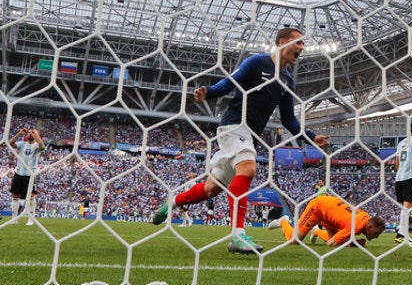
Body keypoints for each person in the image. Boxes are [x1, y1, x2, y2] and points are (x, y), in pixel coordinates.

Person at [152, 27, 330, 254]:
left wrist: (312, 137)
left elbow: (289, 120)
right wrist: (209, 92)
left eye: (303, 45)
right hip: (234, 125)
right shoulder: (257, 63)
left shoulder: (286, 80)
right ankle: (237, 235)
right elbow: (230, 82)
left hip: (250, 136)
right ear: (282, 42)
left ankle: (172, 202)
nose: (302, 49)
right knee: (248, 167)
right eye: (298, 43)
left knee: (210, 189)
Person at [268, 195, 385, 247]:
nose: (376, 237)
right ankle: (283, 221)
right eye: (376, 233)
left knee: (339, 241)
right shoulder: (357, 226)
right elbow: (330, 244)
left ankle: (316, 231)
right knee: (294, 241)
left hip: (331, 213)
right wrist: (351, 243)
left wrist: (349, 242)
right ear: (369, 227)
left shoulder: (366, 216)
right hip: (318, 208)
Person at [8, 128, 45, 225]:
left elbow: (43, 146)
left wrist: (37, 136)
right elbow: (10, 143)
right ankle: (14, 218)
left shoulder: (37, 146)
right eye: (29, 132)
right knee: (15, 196)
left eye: (32, 132)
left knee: (31, 196)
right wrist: (18, 134)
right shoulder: (21, 144)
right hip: (19, 173)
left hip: (30, 174)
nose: (30, 134)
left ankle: (31, 218)